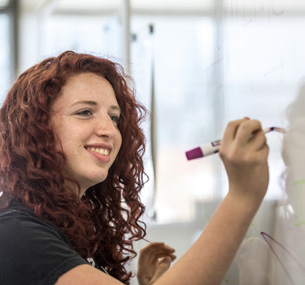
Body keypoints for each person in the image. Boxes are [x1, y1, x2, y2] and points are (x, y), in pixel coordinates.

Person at [0, 51, 269, 285]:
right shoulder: (15, 234)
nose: (109, 130)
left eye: (114, 117)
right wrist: (242, 196)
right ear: (34, 129)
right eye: (85, 112)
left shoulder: (60, 226)